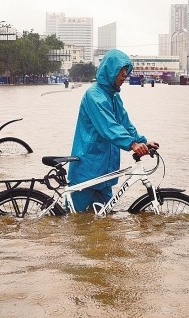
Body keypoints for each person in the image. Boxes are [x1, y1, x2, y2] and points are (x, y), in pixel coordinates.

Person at [68, 49, 159, 212]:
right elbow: (108, 127)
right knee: (73, 218)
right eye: (121, 70)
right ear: (110, 70)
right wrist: (132, 144)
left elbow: (125, 123)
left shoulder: (114, 96)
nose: (125, 74)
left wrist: (143, 142)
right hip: (88, 166)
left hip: (106, 170)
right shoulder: (94, 95)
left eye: (127, 70)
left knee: (105, 220)